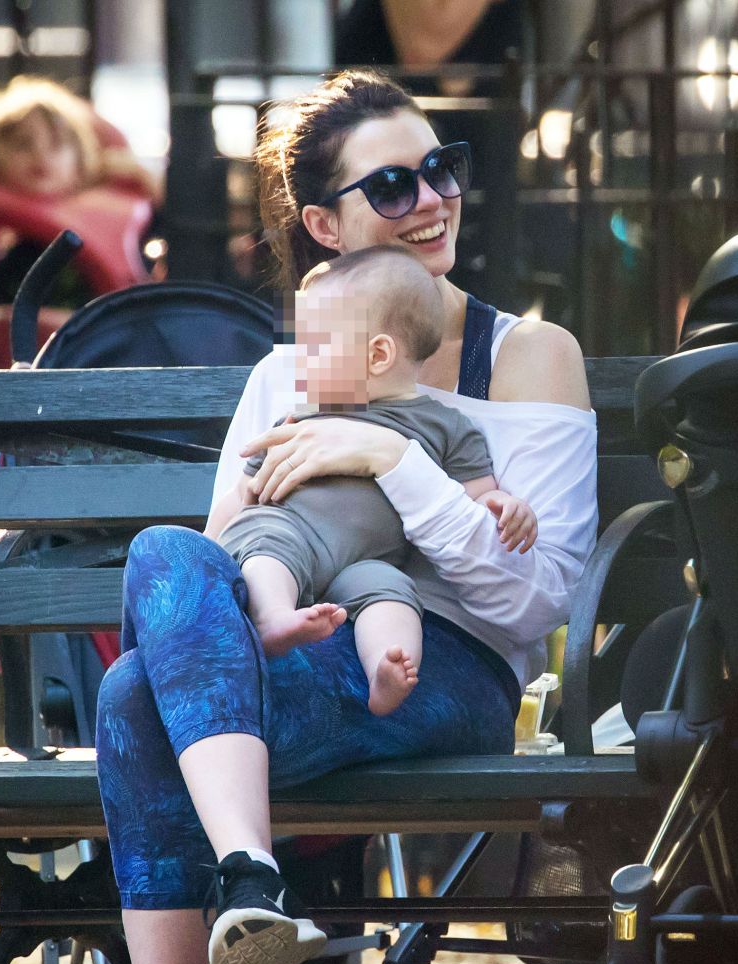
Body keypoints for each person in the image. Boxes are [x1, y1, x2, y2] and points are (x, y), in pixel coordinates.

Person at [14, 68, 595, 964]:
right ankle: (243, 891)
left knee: (137, 699)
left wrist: (389, 457)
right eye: (391, 184)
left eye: (440, 167)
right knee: (159, 578)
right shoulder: (289, 369)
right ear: (323, 224)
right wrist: (276, 584)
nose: (430, 198)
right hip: (297, 643)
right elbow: (223, 563)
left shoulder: (526, 355)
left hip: (437, 668)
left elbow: (532, 597)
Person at [211, 245, 537, 717]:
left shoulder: (447, 427)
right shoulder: (299, 416)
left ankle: (387, 669)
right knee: (266, 545)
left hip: (369, 562)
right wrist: (207, 547)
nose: (299, 363)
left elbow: (479, 500)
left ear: (378, 355)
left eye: (313, 348)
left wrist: (510, 507)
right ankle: (275, 619)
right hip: (292, 533)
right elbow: (244, 495)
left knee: (392, 593)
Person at [0, 75, 162, 306]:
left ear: (80, 163)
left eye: (56, 144)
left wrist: (147, 182)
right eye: (23, 144)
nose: (40, 154)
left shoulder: (121, 223)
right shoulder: (8, 264)